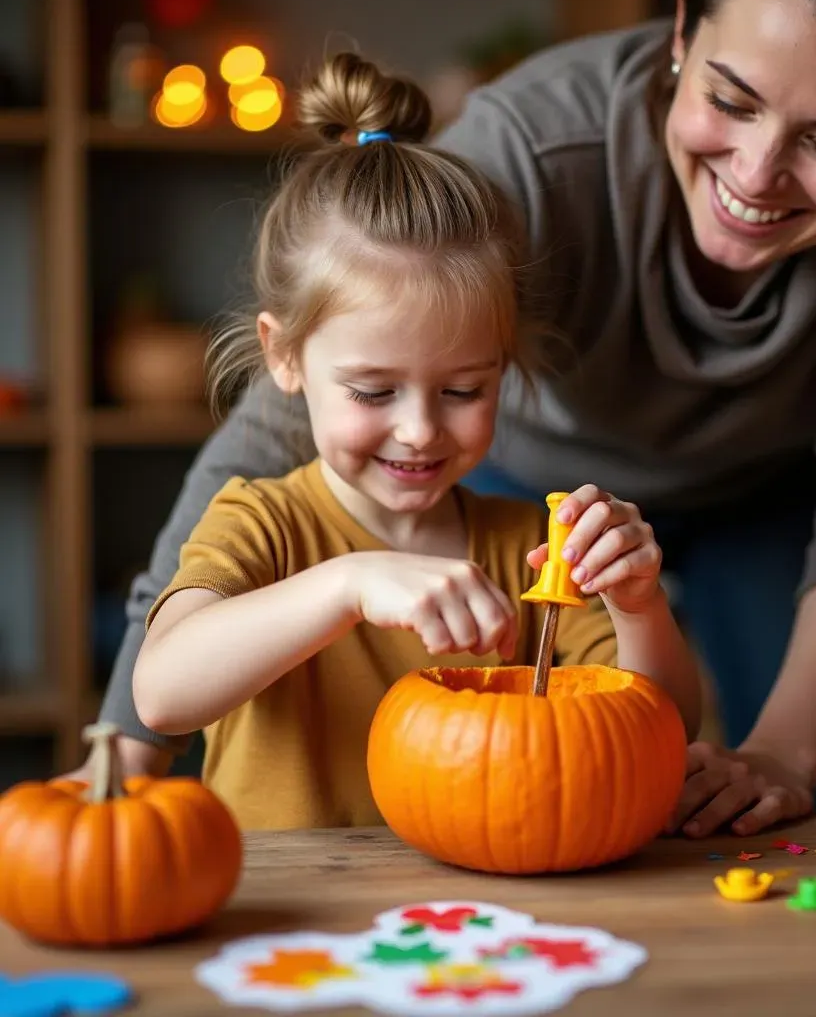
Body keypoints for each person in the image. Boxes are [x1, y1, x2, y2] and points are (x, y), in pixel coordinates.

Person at [88, 0, 816, 837]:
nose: (759, 173)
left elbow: (653, 717)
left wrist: (654, 618)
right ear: (684, 30)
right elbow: (169, 676)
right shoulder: (530, 148)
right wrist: (125, 753)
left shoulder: (526, 542)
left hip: (731, 502)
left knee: (815, 791)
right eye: (733, 102)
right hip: (303, 899)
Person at [125, 51, 702, 830]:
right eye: (373, 390)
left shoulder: (527, 545)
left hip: (469, 923)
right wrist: (350, 584)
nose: (421, 429)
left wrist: (637, 606)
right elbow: (162, 693)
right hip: (287, 927)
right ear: (284, 357)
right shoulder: (263, 523)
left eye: (465, 389)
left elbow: (663, 725)